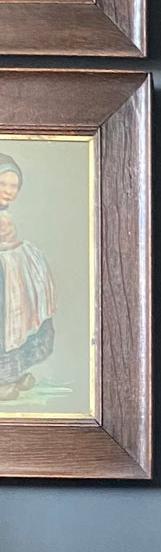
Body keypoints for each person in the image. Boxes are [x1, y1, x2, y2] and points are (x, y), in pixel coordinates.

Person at [0, 157, 57, 403]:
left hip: (10, 272)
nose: (8, 191)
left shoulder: (5, 212)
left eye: (14, 186)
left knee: (20, 319)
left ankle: (16, 371)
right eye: (3, 184)